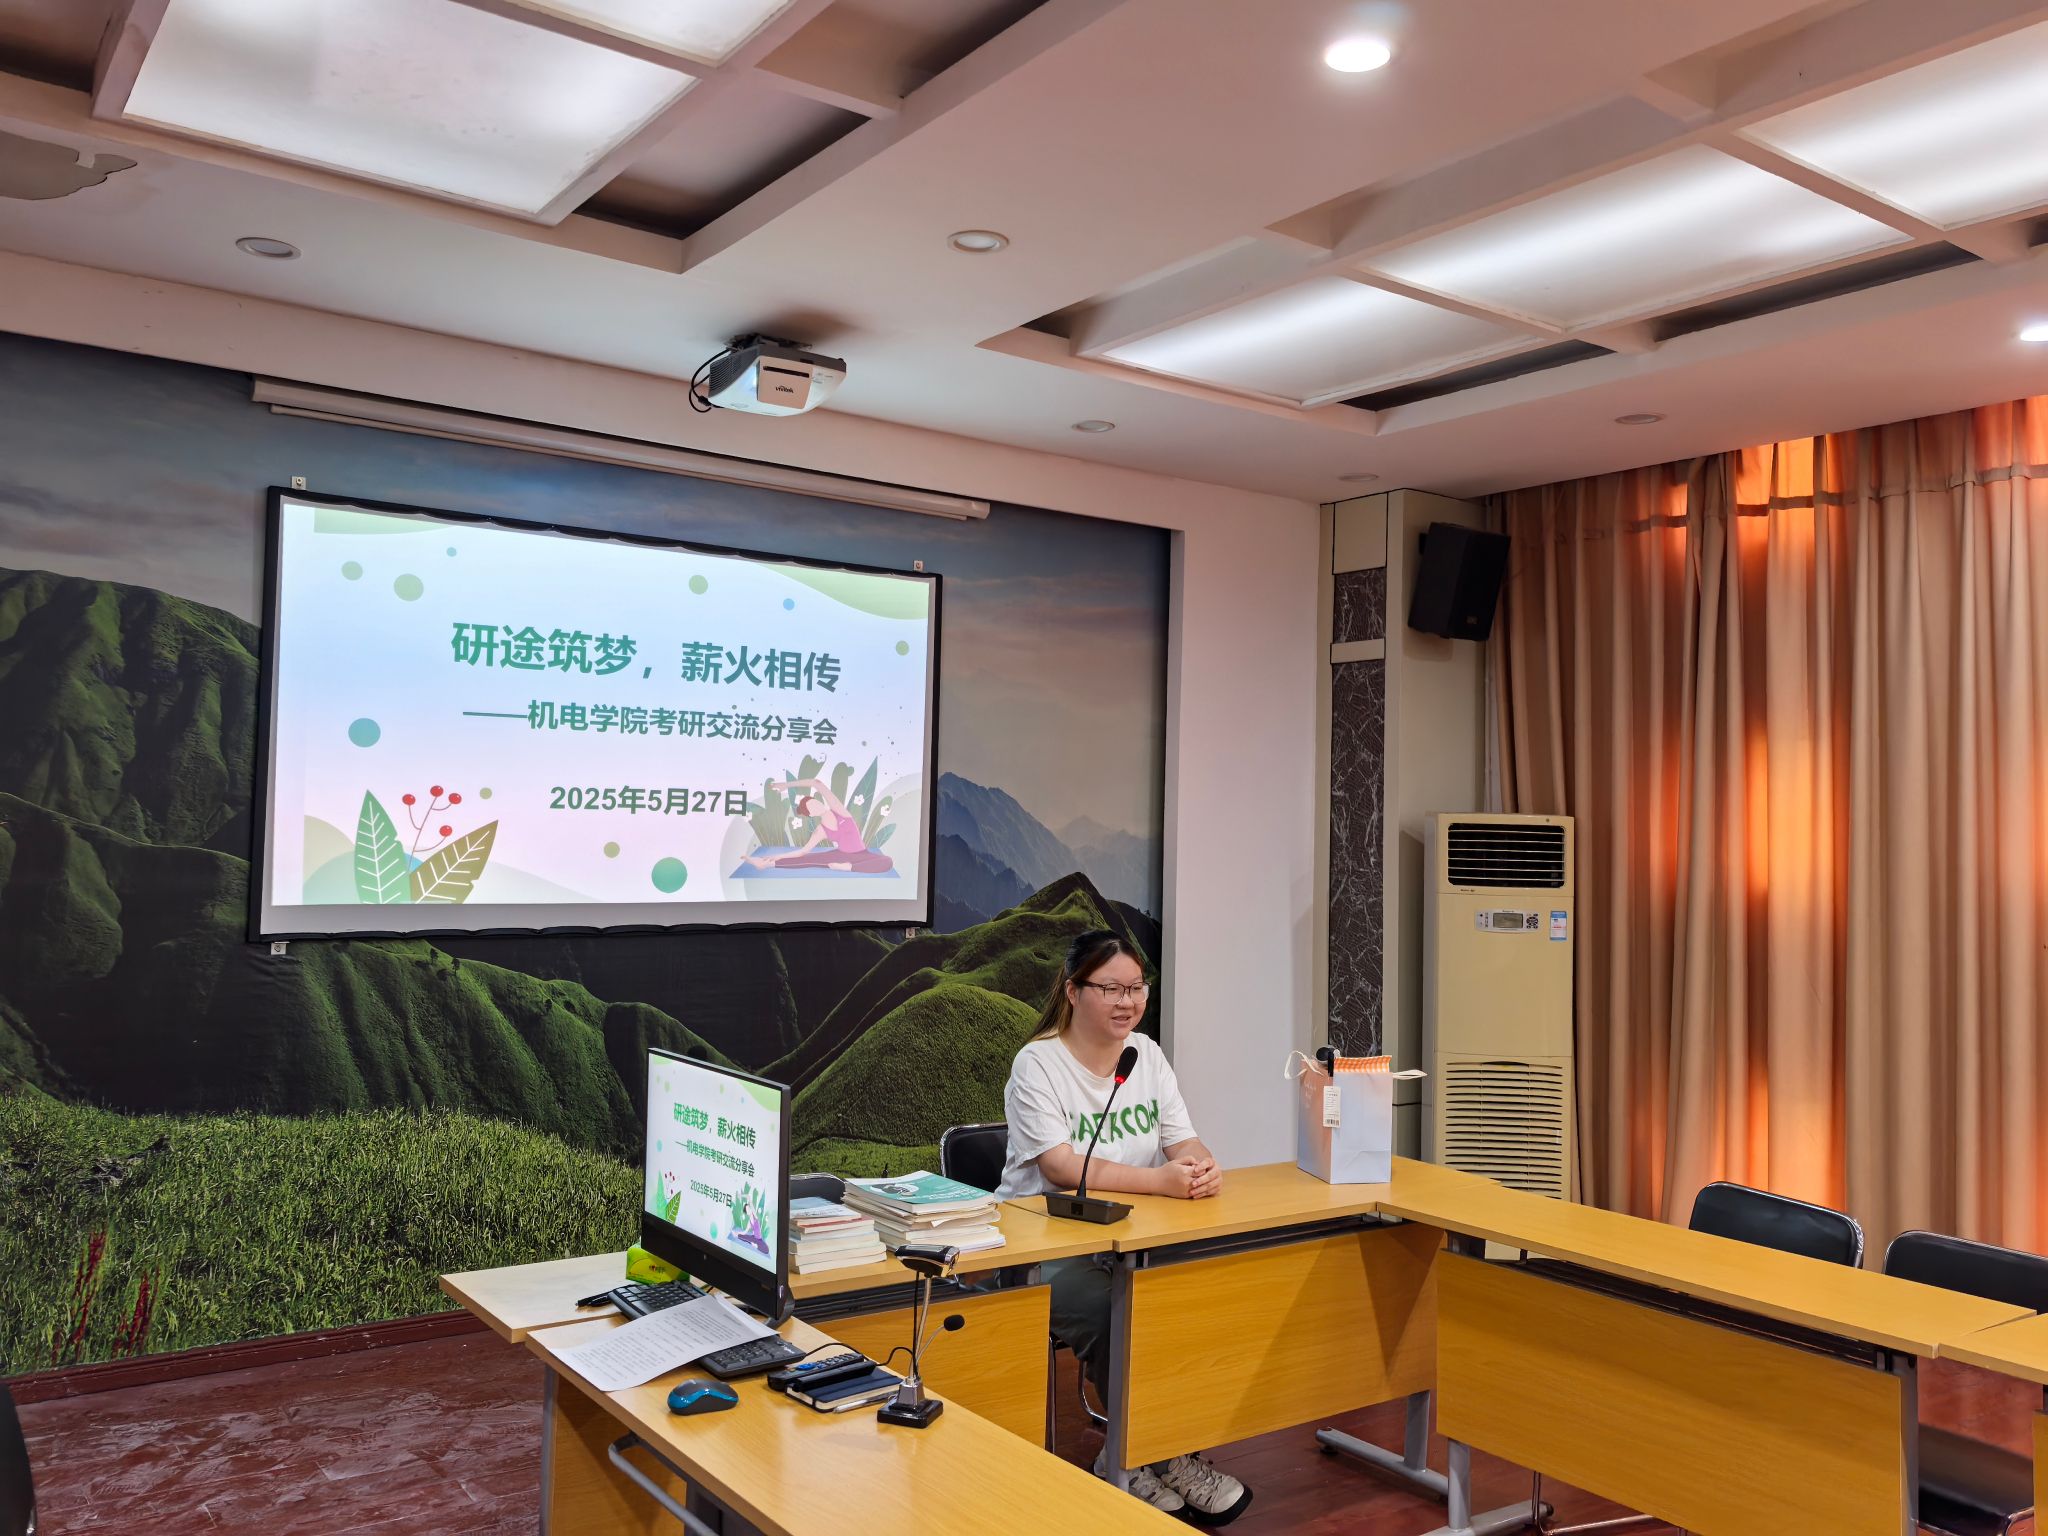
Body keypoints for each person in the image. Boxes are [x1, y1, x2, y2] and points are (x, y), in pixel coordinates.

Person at [995, 930, 1253, 1526]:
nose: (1127, 1002)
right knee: (1119, 1311)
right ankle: (1145, 1455)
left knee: (1195, 1295)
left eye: (1136, 987)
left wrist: (1201, 1165)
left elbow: (1182, 1139)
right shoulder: (1038, 1064)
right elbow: (1061, 1168)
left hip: (1130, 1238)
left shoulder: (1146, 1055)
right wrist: (1160, 1182)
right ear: (1073, 991)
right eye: (1111, 988)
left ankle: (1153, 1448)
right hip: (1040, 1246)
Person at [744, 776, 893, 874]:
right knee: (811, 859)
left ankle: (849, 868)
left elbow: (817, 783)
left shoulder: (839, 811)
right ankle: (764, 864)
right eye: (811, 807)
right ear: (811, 814)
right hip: (840, 855)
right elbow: (802, 852)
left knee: (887, 861)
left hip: (862, 854)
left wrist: (787, 785)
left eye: (814, 802)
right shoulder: (820, 830)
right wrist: (777, 857)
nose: (816, 805)